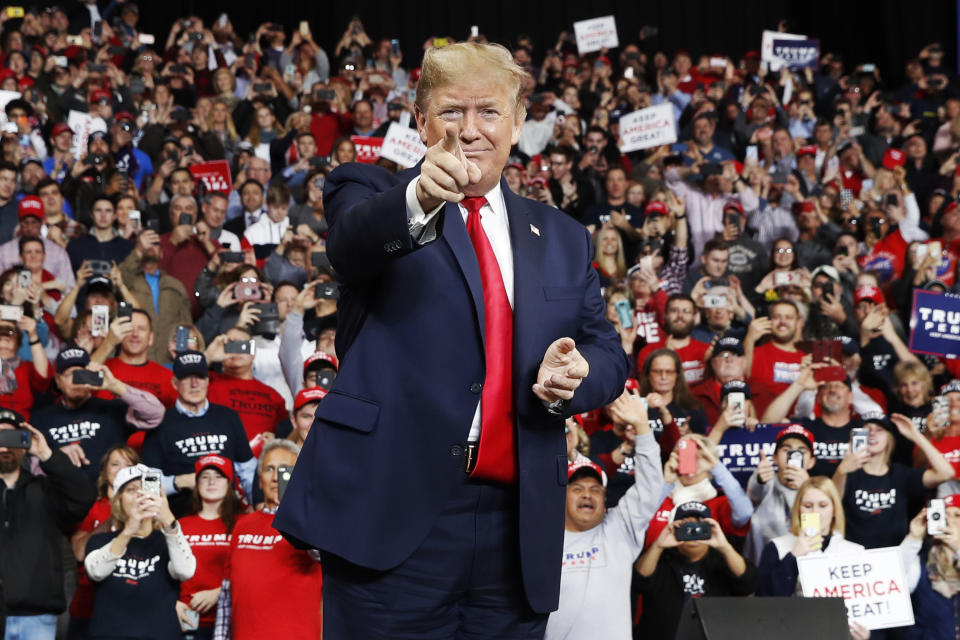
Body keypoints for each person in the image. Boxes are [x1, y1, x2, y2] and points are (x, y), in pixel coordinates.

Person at [275, 42, 628, 638]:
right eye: (450, 111)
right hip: (391, 512)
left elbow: (606, 353)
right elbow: (351, 245)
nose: (470, 130)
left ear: (517, 124)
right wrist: (420, 199)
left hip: (516, 532)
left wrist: (572, 379)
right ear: (420, 122)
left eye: (489, 112)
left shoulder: (563, 237)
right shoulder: (367, 190)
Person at [544, 391, 662, 639]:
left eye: (595, 488)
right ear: (561, 497)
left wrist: (642, 427)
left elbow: (651, 486)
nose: (587, 494)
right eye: (577, 488)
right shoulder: (543, 539)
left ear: (605, 498)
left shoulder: (620, 530)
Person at [0, 409, 96, 640]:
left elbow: (84, 496)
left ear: (25, 443)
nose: (4, 447)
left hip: (37, 614)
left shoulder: (46, 491)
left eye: (12, 438)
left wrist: (46, 454)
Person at [214, 440, 322, 640]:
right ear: (260, 480)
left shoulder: (312, 522)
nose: (275, 478)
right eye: (269, 469)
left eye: (284, 471)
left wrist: (293, 511)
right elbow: (227, 594)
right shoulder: (242, 525)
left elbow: (319, 554)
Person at [83, 463, 196, 640]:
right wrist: (129, 530)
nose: (141, 496)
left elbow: (185, 570)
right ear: (118, 499)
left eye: (147, 488)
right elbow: (97, 571)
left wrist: (169, 521)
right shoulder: (100, 541)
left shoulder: (169, 541)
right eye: (131, 489)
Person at [141, 352, 255, 516]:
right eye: (187, 378)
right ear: (175, 383)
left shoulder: (229, 417)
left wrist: (257, 508)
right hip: (179, 518)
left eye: (200, 377)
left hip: (227, 517)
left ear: (208, 381)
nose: (194, 384)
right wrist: (180, 481)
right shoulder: (159, 423)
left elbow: (248, 473)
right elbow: (148, 484)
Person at [32, 347, 164, 481]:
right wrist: (56, 456)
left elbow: (155, 415)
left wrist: (114, 385)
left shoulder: (112, 409)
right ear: (58, 381)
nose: (76, 381)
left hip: (109, 493)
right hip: (62, 492)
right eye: (70, 374)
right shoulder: (41, 418)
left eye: (81, 375)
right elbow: (31, 466)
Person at [634, 499, 756, 639]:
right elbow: (638, 582)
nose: (693, 530)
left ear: (711, 528)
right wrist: (658, 546)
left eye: (700, 524)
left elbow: (748, 583)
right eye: (685, 524)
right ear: (675, 528)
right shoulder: (661, 559)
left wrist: (725, 547)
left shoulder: (722, 559)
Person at [833, 413, 953, 548]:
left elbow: (946, 473)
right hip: (857, 559)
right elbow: (832, 503)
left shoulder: (900, 474)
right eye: (867, 429)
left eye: (879, 430)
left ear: (889, 439)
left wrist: (917, 436)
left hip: (896, 556)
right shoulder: (847, 473)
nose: (872, 434)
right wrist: (841, 471)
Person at [755, 477, 864, 608]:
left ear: (834, 510)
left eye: (823, 506)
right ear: (798, 509)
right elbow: (765, 602)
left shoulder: (855, 552)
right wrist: (793, 556)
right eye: (808, 506)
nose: (815, 512)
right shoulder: (777, 547)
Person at [67, 445, 139, 640]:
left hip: (128, 605)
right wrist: (111, 521)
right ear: (105, 472)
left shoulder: (145, 508)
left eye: (129, 465)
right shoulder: (92, 506)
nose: (123, 469)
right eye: (115, 464)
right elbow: (79, 552)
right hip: (89, 604)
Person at [177, 454, 243, 639]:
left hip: (230, 617)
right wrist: (172, 603)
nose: (211, 482)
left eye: (218, 476)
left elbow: (253, 572)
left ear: (230, 483)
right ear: (196, 485)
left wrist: (219, 593)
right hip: (188, 620)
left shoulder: (243, 524)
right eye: (205, 477)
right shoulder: (180, 525)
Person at [743, 425, 817, 565]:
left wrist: (806, 490)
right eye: (787, 450)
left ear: (812, 461)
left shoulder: (818, 490)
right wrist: (759, 479)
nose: (793, 456)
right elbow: (753, 497)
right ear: (775, 458)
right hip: (762, 566)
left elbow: (816, 531)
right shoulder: (766, 479)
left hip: (804, 567)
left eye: (801, 451)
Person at [901, 495, 960, 639]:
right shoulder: (922, 559)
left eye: (957, 515)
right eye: (944, 514)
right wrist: (913, 538)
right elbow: (894, 583)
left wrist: (958, 548)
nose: (949, 520)